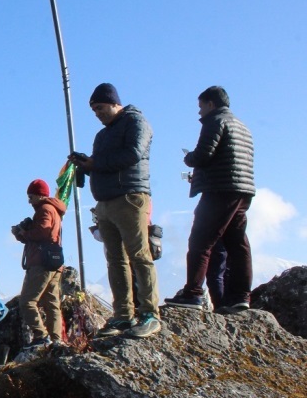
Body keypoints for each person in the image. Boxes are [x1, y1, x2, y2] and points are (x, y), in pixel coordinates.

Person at [68, 82, 161, 339]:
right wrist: (85, 165)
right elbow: (103, 165)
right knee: (115, 260)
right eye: (94, 110)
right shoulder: (102, 135)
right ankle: (123, 314)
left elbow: (132, 154)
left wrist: (95, 163)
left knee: (139, 255)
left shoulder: (136, 122)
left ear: (113, 102)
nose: (97, 114)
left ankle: (150, 313)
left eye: (100, 108)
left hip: (130, 197)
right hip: (105, 203)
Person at [164, 86, 254, 314]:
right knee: (237, 242)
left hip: (219, 189)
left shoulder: (215, 122)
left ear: (211, 104)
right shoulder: (243, 126)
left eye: (201, 106)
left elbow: (204, 155)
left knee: (200, 242)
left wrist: (188, 158)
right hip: (243, 189)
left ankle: (193, 293)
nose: (199, 112)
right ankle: (240, 296)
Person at [12, 179, 66, 349]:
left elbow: (43, 232)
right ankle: (56, 339)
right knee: (51, 302)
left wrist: (24, 232)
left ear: (39, 195)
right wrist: (22, 235)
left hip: (41, 263)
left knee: (27, 301)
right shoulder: (55, 209)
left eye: (31, 196)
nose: (29, 201)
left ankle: (41, 335)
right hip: (54, 262)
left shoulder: (44, 209)